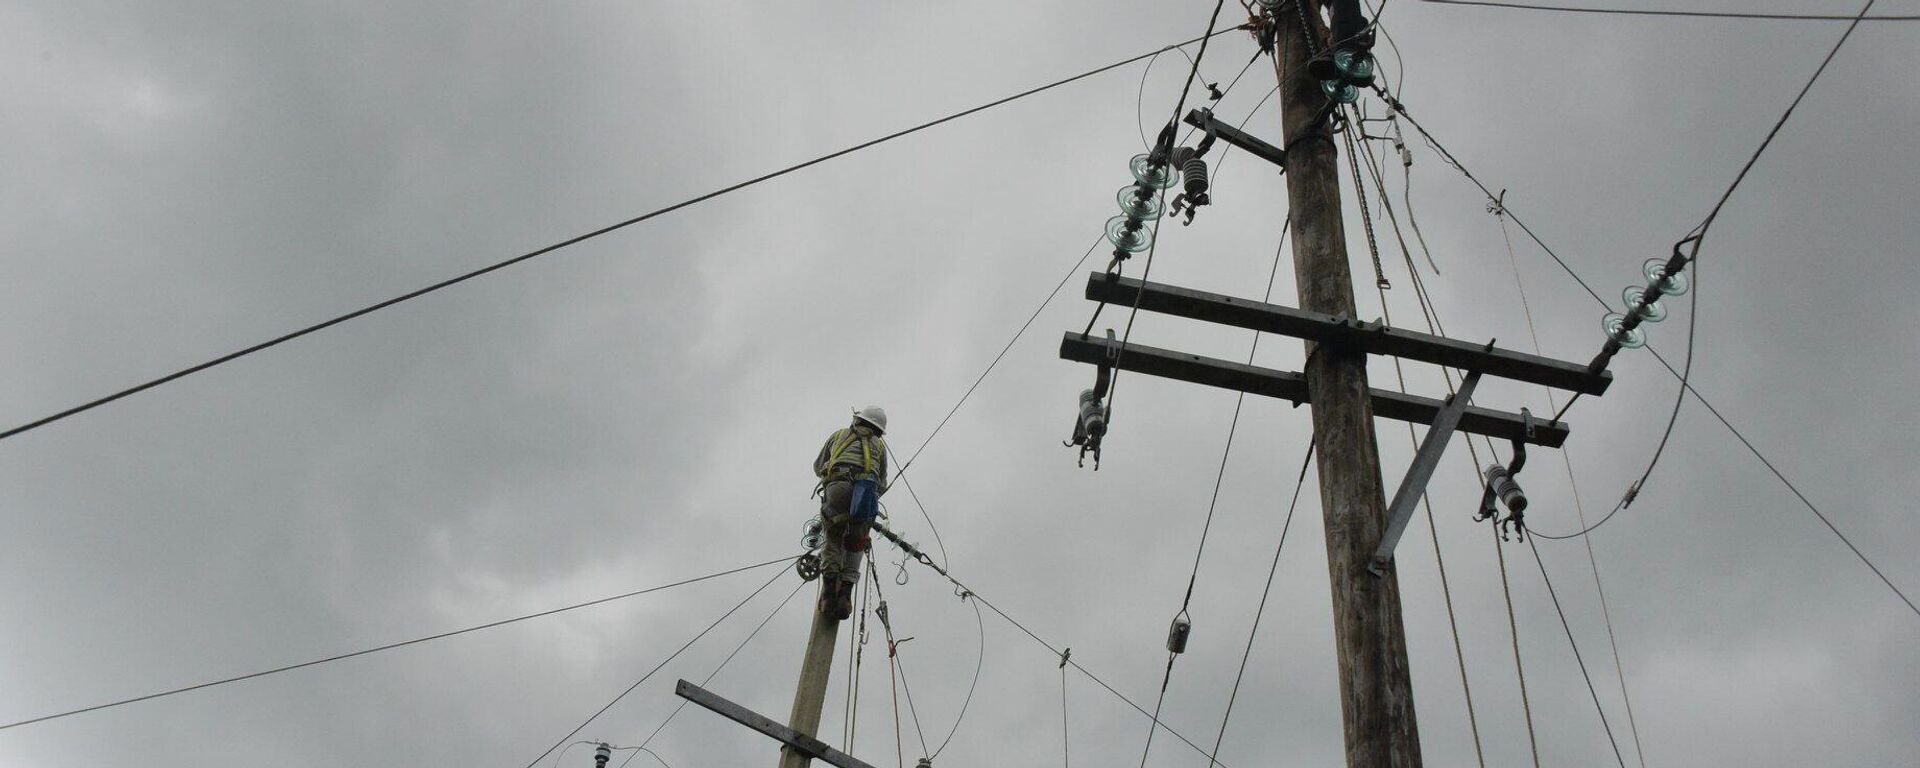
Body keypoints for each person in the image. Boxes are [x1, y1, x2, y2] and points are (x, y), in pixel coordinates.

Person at [811, 406, 889, 621]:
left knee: (833, 536)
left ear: (857, 420)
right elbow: (881, 483)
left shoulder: (839, 435)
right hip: (865, 494)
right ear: (879, 430)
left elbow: (818, 467)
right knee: (856, 543)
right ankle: (845, 593)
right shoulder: (879, 446)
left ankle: (828, 592)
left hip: (837, 488)